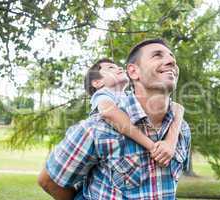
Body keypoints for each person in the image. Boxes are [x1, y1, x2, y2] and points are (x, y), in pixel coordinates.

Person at [38, 38, 191, 200]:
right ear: (133, 72)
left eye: (171, 56)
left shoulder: (182, 129)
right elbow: (49, 181)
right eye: (157, 55)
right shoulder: (98, 126)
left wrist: (177, 118)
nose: (171, 61)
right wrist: (153, 147)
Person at [84, 58, 184, 167]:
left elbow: (178, 108)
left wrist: (170, 142)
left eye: (118, 66)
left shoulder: (128, 96)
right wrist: (153, 147)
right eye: (111, 68)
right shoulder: (103, 95)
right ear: (97, 82)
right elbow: (109, 113)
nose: (120, 68)